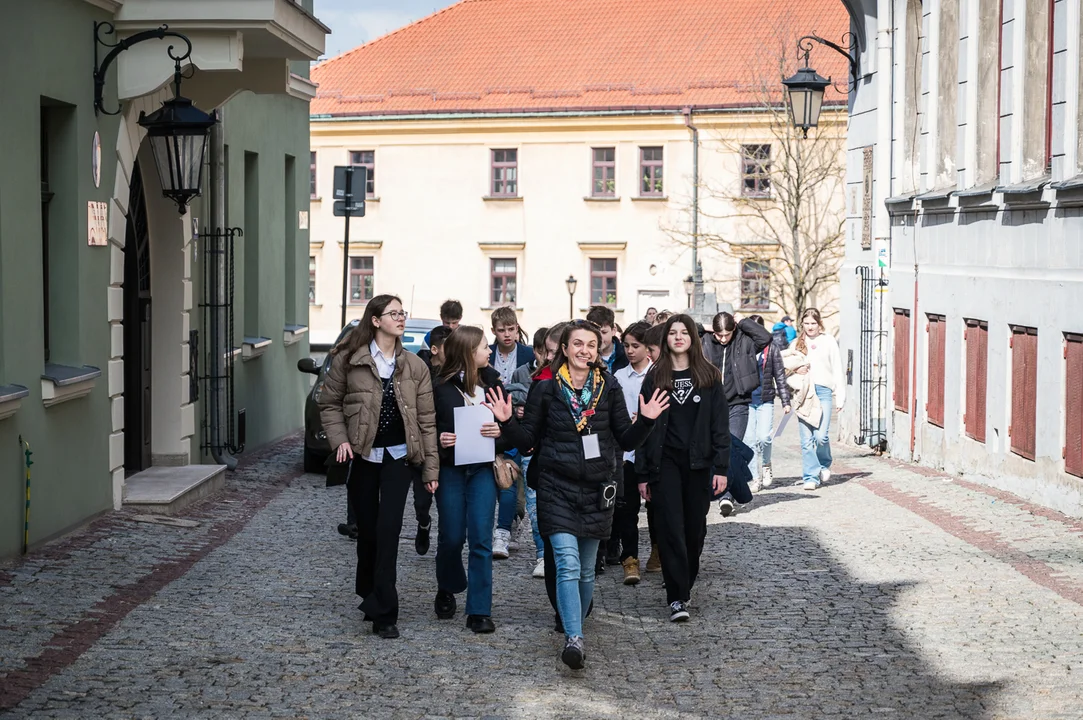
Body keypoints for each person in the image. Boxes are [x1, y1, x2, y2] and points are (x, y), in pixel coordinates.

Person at [488, 320, 669, 669]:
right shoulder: (547, 389)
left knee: (586, 571)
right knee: (567, 565)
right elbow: (528, 442)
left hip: (597, 490)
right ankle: (574, 638)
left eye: (591, 344)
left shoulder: (609, 387)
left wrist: (645, 421)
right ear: (566, 350)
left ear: (597, 349)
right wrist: (508, 422)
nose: (585, 350)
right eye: (577, 344)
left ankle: (576, 625)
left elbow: (625, 440)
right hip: (557, 487)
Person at [319, 294, 439, 640]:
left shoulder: (415, 366)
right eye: (394, 313)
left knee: (388, 532)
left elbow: (428, 423)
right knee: (368, 533)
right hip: (363, 457)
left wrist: (430, 471)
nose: (401, 318)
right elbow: (329, 404)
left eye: (403, 313)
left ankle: (386, 611)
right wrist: (340, 439)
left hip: (400, 459)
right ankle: (368, 592)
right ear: (376, 320)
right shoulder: (349, 360)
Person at [636, 314, 729, 623]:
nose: (678, 337)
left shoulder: (709, 375)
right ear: (666, 339)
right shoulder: (656, 376)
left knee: (694, 529)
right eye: (672, 333)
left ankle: (685, 580)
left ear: (692, 337)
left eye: (683, 332)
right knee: (670, 527)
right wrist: (643, 473)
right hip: (665, 463)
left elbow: (720, 425)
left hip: (699, 463)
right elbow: (645, 427)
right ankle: (676, 596)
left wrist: (721, 466)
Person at [431, 326, 511, 634]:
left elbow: (509, 427)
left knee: (481, 537)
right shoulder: (440, 387)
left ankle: (479, 609)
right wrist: (441, 439)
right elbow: (428, 428)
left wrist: (500, 431)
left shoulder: (493, 385)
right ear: (467, 352)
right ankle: (448, 584)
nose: (489, 352)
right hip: (451, 469)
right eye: (484, 348)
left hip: (482, 469)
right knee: (451, 536)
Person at [701, 311, 773, 515]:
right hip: (710, 405)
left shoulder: (744, 340)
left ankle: (727, 496)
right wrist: (705, 327)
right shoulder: (705, 340)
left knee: (730, 446)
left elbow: (765, 337)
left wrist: (743, 321)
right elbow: (683, 329)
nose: (723, 339)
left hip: (737, 403)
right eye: (719, 335)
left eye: (727, 334)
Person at [610, 322, 654, 585]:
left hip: (652, 450)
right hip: (626, 451)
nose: (629, 351)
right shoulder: (619, 377)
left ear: (648, 347)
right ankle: (630, 559)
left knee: (656, 508)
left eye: (635, 346)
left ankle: (659, 553)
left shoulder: (657, 374)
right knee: (626, 509)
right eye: (625, 346)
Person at [489, 307, 534, 559]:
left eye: (511, 329)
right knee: (500, 476)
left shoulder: (528, 354)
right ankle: (504, 526)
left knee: (515, 481)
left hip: (519, 423)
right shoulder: (487, 353)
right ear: (493, 331)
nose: (507, 334)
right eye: (501, 330)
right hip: (492, 422)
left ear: (517, 328)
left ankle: (510, 522)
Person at [507, 326, 550, 578]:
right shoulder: (525, 375)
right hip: (531, 447)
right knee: (533, 503)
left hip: (555, 449)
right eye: (545, 352)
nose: (549, 357)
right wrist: (515, 412)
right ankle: (542, 553)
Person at [793, 308, 845, 491]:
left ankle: (824, 464)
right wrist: (795, 370)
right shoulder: (797, 343)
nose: (810, 327)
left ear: (819, 323)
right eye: (806, 323)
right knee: (806, 440)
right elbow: (786, 367)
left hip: (823, 392)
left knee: (821, 436)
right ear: (802, 324)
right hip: (804, 393)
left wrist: (840, 396)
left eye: (813, 323)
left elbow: (837, 368)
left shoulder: (828, 341)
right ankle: (810, 476)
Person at [413, 323, 453, 555]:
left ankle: (445, 543)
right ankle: (423, 523)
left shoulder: (457, 374)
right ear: (436, 350)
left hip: (446, 449)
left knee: (447, 504)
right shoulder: (420, 372)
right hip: (424, 447)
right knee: (421, 502)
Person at [743, 315, 791, 492]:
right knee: (749, 440)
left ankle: (766, 464)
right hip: (746, 400)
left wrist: (786, 401)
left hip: (765, 399)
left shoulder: (771, 348)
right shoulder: (742, 347)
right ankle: (754, 478)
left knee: (764, 437)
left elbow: (779, 375)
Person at [586, 306, 629, 373]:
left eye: (604, 332)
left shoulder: (626, 354)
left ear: (613, 331)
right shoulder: (586, 355)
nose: (599, 337)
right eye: (595, 332)